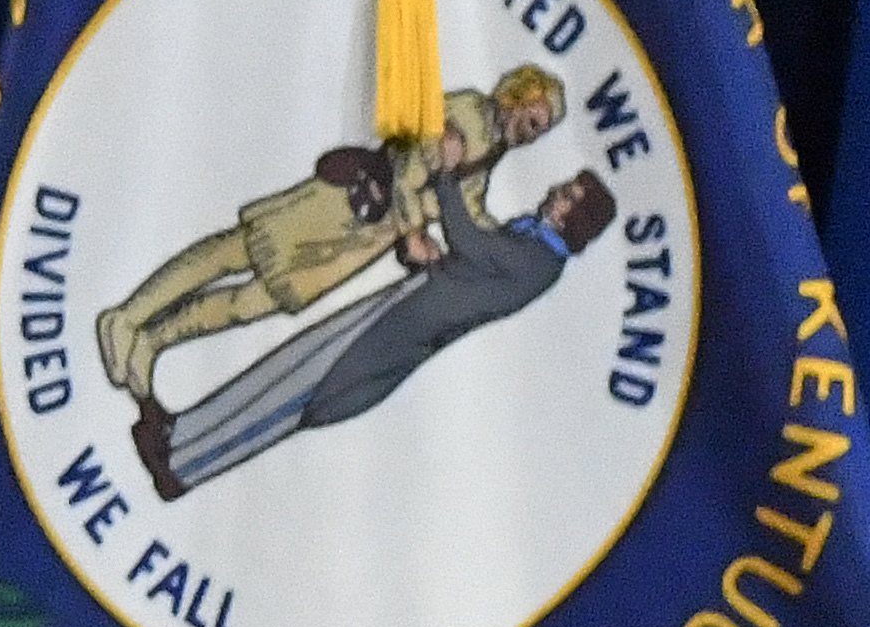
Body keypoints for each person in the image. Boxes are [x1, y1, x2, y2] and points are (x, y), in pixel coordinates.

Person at [138, 165, 617, 498]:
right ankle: (181, 431)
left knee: (290, 398)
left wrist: (446, 178)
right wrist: (432, 258)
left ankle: (183, 466)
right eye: (567, 187)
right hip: (402, 308)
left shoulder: (540, 261)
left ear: (578, 218)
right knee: (287, 365)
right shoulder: (530, 235)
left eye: (571, 196)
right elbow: (471, 270)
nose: (559, 191)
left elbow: (472, 244)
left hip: (398, 336)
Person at [96, 64, 568, 399]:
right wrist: (411, 235)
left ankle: (153, 342)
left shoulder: (493, 150)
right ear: (517, 97)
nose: (532, 133)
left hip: (362, 240)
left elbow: (467, 206)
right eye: (533, 120)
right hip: (345, 204)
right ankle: (128, 316)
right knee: (234, 253)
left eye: (540, 130)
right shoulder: (465, 113)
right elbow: (407, 171)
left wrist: (497, 238)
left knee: (255, 302)